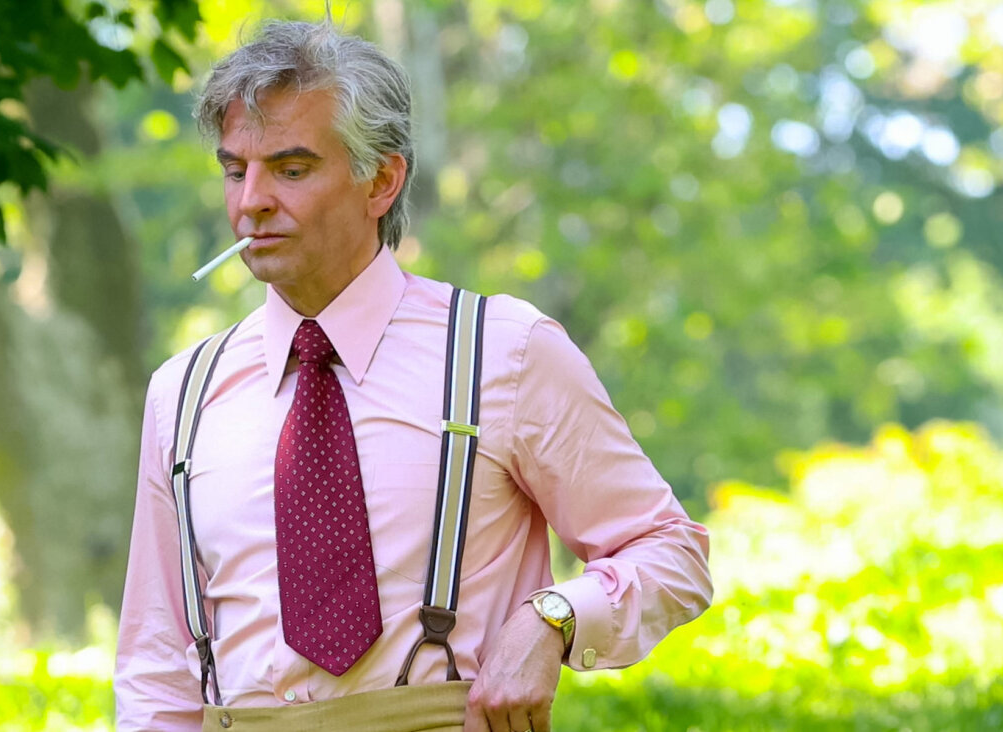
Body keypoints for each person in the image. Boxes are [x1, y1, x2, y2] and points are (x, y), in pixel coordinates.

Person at [115, 20, 712, 732]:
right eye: (235, 170)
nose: (251, 203)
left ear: (382, 179)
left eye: (292, 169)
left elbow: (673, 552)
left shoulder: (506, 352)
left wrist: (555, 616)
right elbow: (155, 667)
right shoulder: (181, 393)